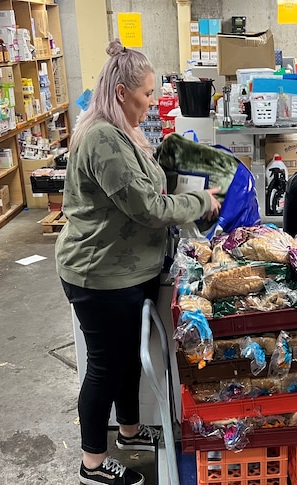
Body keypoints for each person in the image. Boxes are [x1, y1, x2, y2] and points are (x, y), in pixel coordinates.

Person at [56, 39, 221, 485]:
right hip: (101, 274)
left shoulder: (122, 132)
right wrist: (198, 200)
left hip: (128, 270)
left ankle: (129, 430)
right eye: (147, 94)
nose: (151, 103)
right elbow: (147, 208)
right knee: (106, 368)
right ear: (122, 91)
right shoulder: (102, 139)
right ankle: (92, 463)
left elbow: (149, 185)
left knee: (128, 357)